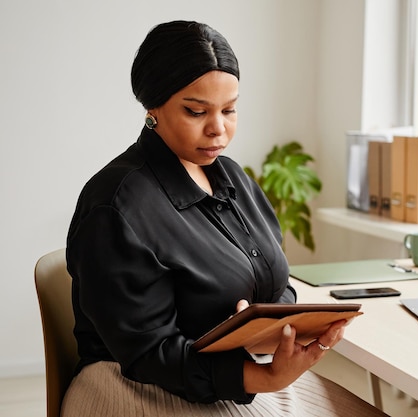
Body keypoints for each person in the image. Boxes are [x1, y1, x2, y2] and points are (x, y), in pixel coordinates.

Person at [62, 20, 388, 417]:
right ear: (153, 108)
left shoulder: (232, 177)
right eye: (196, 111)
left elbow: (278, 283)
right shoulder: (115, 204)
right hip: (134, 387)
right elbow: (148, 352)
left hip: (232, 376)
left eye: (230, 110)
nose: (218, 129)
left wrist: (263, 325)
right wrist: (262, 377)